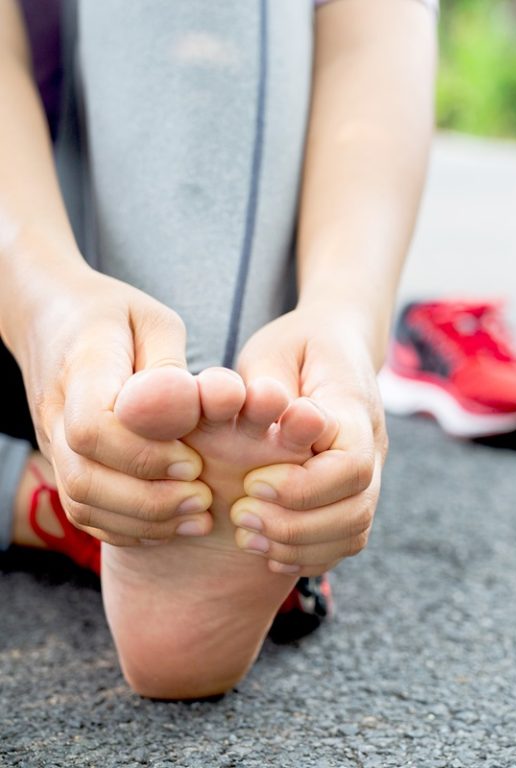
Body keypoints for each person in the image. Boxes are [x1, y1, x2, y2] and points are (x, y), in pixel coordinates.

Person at [0, 0, 437, 700]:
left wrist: (344, 318)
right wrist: (42, 303)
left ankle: (174, 462)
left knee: (200, 404)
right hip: (39, 297)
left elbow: (371, 31)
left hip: (124, 336)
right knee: (204, 418)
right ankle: (157, 490)